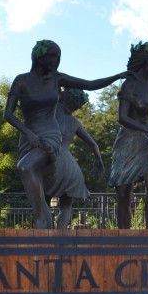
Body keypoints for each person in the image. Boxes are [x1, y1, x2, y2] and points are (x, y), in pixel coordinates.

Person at [4, 39, 125, 229]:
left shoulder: (57, 79)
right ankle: (44, 219)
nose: (56, 61)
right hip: (29, 137)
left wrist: (119, 76)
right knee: (31, 175)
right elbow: (8, 114)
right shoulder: (22, 80)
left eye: (58, 57)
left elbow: (90, 84)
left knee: (25, 167)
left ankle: (41, 219)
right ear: (39, 56)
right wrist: (27, 133)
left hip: (50, 136)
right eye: (52, 56)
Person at [109, 40, 148, 229]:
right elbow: (122, 117)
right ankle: (124, 236)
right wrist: (145, 130)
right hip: (130, 139)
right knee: (123, 193)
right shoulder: (130, 84)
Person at [45, 88, 101, 229]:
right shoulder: (74, 122)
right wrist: (98, 160)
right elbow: (93, 145)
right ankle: (61, 236)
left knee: (44, 202)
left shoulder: (48, 113)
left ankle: (47, 236)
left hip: (50, 161)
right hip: (71, 168)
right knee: (66, 206)